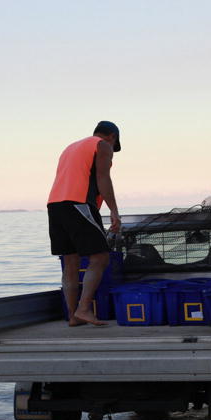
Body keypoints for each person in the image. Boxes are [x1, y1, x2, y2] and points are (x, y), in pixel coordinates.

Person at [47, 121, 122, 326]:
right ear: (111, 137)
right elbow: (103, 178)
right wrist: (114, 212)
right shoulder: (102, 145)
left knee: (70, 262)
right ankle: (84, 308)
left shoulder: (70, 148)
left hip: (55, 206)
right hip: (78, 204)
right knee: (100, 257)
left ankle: (73, 316)